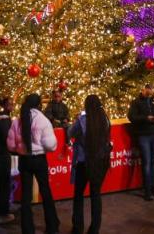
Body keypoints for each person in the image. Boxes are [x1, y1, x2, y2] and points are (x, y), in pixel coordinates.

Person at [7, 94, 59, 234]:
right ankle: (52, 226)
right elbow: (51, 145)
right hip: (39, 159)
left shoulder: (17, 121)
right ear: (39, 105)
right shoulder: (43, 120)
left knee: (25, 196)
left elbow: (11, 146)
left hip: (24, 160)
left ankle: (27, 229)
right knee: (45, 192)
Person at [68, 95, 111, 234]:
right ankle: (94, 229)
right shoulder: (105, 119)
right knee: (96, 194)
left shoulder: (82, 120)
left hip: (83, 162)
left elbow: (70, 133)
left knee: (79, 195)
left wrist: (76, 120)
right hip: (100, 161)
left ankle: (78, 227)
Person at [127, 84, 154, 200]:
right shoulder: (136, 102)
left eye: (151, 89)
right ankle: (147, 190)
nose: (149, 91)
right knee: (147, 162)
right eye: (147, 89)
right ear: (143, 90)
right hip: (144, 135)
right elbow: (132, 117)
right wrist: (145, 118)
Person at [0, 97, 15, 224]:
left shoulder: (0, 118)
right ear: (4, 105)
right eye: (9, 104)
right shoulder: (4, 119)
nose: (12, 106)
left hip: (0, 153)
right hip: (4, 153)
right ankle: (2, 214)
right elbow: (7, 136)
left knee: (1, 182)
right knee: (4, 183)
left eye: (13, 104)